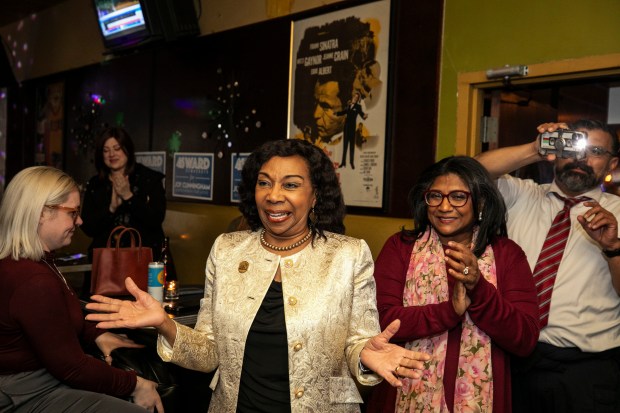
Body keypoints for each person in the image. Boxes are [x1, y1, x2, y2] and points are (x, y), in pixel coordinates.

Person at [86, 139, 431, 413]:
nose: (274, 195)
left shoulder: (347, 255)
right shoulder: (227, 250)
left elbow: (360, 341)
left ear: (315, 196)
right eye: (264, 183)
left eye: (291, 184)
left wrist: (363, 354)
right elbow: (208, 355)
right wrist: (165, 323)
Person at [366, 156, 540, 413]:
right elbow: (381, 321)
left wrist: (478, 288)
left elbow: (524, 338)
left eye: (458, 197)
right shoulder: (400, 247)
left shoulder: (507, 254)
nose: (444, 206)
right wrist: (449, 312)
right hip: (402, 393)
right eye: (435, 196)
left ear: (480, 202)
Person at [475, 120, 620, 413]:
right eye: (572, 147)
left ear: (611, 163)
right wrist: (535, 149)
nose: (581, 158)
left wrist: (613, 248)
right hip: (510, 359)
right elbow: (473, 171)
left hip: (585, 371)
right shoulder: (521, 195)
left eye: (595, 151)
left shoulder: (616, 212)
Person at [0, 166, 162, 412]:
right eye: (73, 213)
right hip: (25, 391)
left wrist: (95, 334)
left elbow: (60, 315)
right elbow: (71, 367)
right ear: (42, 213)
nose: (80, 221)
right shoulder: (32, 279)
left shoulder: (33, 262)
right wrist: (136, 384)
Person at [81, 127, 166, 263]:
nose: (111, 154)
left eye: (117, 148)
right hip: (105, 264)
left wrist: (128, 197)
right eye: (106, 150)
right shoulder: (96, 184)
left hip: (142, 261)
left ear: (128, 149)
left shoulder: (149, 179)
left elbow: (155, 219)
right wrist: (111, 209)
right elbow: (88, 228)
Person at [336, 92, 368, 170]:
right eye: (354, 96)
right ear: (353, 97)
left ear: (357, 100)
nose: (355, 98)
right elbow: (344, 112)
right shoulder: (349, 105)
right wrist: (336, 113)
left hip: (352, 129)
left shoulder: (358, 107)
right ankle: (343, 162)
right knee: (345, 146)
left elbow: (362, 114)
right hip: (346, 128)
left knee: (351, 147)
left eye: (357, 98)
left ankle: (351, 162)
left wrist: (365, 116)